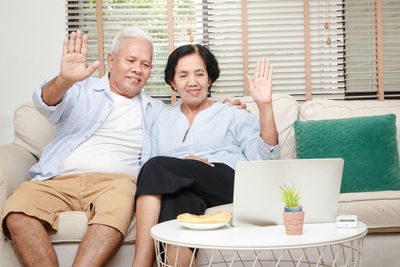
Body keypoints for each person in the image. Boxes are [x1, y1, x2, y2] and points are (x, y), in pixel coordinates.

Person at [0, 28, 164, 267]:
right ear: (111, 60)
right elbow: (45, 102)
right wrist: (64, 80)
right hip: (56, 180)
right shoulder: (79, 88)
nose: (138, 69)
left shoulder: (155, 110)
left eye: (145, 64)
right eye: (130, 60)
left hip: (116, 184)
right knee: (17, 211)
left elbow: (186, 126)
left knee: (118, 207)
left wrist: (229, 107)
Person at [132, 44, 281, 267]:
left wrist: (265, 106)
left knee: (155, 167)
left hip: (225, 181)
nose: (192, 82)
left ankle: (141, 263)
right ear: (173, 82)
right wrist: (185, 166)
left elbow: (267, 159)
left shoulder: (232, 114)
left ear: (209, 79)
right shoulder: (162, 120)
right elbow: (150, 178)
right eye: (183, 75)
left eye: (199, 74)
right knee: (178, 205)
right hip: (184, 190)